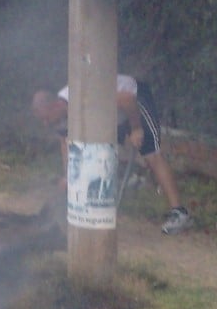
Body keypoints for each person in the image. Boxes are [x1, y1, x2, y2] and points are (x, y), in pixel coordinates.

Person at [32, 75, 193, 235]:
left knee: (151, 155)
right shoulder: (60, 116)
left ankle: (179, 213)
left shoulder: (85, 97)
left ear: (55, 105)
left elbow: (127, 100)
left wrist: (136, 128)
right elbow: (66, 144)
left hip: (133, 102)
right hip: (112, 113)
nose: (46, 123)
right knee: (95, 153)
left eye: (46, 118)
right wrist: (68, 177)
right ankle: (93, 210)